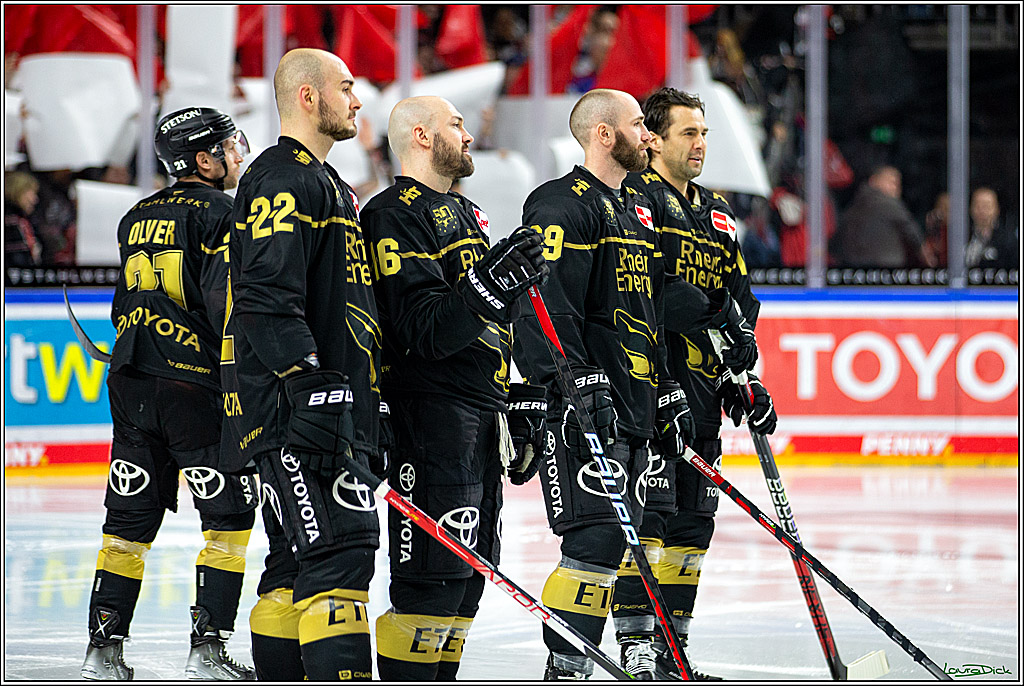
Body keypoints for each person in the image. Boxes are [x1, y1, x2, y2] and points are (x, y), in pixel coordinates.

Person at [360, 95, 548, 681]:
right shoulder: (390, 214)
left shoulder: (467, 213)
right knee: (432, 584)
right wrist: (490, 284)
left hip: (480, 414)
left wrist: (518, 401)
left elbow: (491, 322)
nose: (469, 136)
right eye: (457, 124)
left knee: (469, 583)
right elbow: (423, 330)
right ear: (420, 135)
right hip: (430, 416)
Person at [221, 48, 382, 681]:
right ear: (308, 97)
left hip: (324, 408)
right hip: (301, 412)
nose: (357, 100)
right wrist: (309, 383)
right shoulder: (283, 177)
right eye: (346, 87)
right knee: (341, 553)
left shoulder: (328, 182)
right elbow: (265, 297)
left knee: (292, 564)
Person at [513, 88, 686, 680]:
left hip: (633, 405)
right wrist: (574, 381)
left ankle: (603, 657)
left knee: (624, 542)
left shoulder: (638, 207)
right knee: (593, 541)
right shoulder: (559, 204)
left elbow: (648, 308)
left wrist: (666, 386)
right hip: (582, 408)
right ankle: (566, 667)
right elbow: (544, 304)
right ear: (604, 134)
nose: (650, 136)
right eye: (639, 125)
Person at [81, 107, 256, 681]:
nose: (237, 153)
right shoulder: (224, 213)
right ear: (203, 160)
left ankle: (102, 653)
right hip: (194, 386)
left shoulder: (134, 216)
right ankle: (207, 651)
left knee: (125, 524)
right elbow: (227, 305)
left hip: (131, 380)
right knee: (227, 521)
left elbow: (123, 305)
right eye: (228, 146)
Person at [618, 87, 775, 679]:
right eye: (688, 133)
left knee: (691, 530)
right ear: (654, 140)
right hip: (653, 389)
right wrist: (718, 316)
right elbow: (649, 291)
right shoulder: (635, 199)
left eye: (704, 133)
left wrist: (743, 373)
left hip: (705, 393)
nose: (701, 144)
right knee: (651, 521)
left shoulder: (716, 211)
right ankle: (637, 648)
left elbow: (740, 296)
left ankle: (671, 653)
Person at [830, 165, 937, 269]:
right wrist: (926, 255)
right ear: (873, 181)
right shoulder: (887, 202)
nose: (895, 187)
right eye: (890, 182)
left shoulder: (852, 204)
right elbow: (911, 231)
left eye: (897, 184)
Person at [966, 186, 1018, 270]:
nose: (981, 211)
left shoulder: (1008, 240)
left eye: (986, 206)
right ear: (970, 208)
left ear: (997, 209)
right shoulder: (961, 236)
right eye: (977, 205)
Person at [4, 170, 42, 266]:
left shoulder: (21, 219)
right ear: (18, 192)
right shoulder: (10, 221)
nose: (35, 199)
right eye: (32, 193)